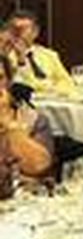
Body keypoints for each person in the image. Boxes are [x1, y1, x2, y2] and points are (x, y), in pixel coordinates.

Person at [0, 55, 55, 196]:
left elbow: (38, 166)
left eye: (0, 78)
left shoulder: (33, 119)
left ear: (8, 82)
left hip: (24, 207)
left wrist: (9, 125)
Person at [6, 10, 74, 95]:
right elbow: (21, 86)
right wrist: (21, 60)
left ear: (35, 32)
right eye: (14, 29)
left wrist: (47, 88)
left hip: (51, 103)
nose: (18, 34)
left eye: (23, 29)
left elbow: (68, 84)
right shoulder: (4, 56)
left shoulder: (49, 55)